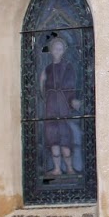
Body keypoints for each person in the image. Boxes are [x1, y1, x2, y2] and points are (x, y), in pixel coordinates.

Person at [38, 35, 83, 177]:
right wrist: (42, 80)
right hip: (51, 105)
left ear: (64, 50)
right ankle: (57, 169)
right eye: (55, 49)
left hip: (63, 104)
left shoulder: (68, 67)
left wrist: (72, 100)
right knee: (52, 136)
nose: (57, 51)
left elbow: (71, 86)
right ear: (51, 51)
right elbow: (42, 91)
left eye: (60, 49)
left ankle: (69, 168)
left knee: (64, 136)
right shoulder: (47, 69)